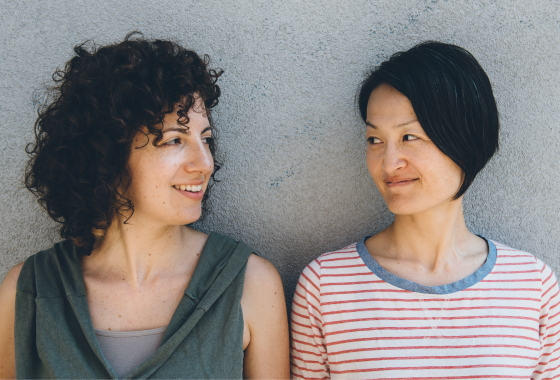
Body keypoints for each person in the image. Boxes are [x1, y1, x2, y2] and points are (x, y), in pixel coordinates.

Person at [0, 33, 289, 379]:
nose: (205, 162)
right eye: (174, 140)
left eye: (206, 139)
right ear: (109, 152)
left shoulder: (250, 285)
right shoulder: (27, 292)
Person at [291, 41, 560, 379]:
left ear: (463, 139)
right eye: (375, 140)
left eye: (410, 137)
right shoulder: (326, 285)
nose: (388, 163)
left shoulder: (531, 284)